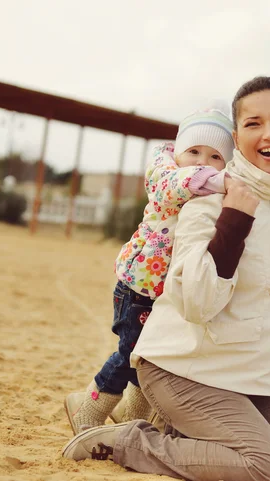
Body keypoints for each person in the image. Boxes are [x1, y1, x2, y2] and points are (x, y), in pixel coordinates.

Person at [62, 76, 270, 481]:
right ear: (236, 136)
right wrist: (235, 219)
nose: (269, 133)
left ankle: (188, 433)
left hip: (247, 376)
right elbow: (197, 303)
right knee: (267, 468)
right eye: (253, 123)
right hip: (182, 369)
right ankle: (128, 440)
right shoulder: (209, 200)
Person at [64, 109, 235, 434]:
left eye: (215, 156)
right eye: (194, 152)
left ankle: (131, 415)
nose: (202, 162)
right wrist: (220, 178)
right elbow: (178, 182)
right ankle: (87, 407)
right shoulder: (166, 175)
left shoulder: (212, 189)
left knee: (152, 357)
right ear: (179, 151)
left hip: (167, 292)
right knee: (130, 355)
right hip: (140, 285)